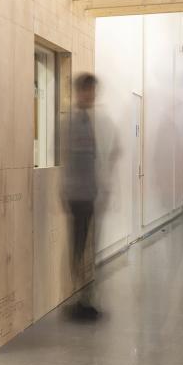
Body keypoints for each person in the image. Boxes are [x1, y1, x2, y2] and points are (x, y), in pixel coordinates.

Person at [62, 72, 108, 320]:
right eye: (87, 91)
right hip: (76, 196)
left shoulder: (92, 121)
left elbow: (97, 156)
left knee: (90, 249)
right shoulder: (70, 122)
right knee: (78, 249)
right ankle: (79, 299)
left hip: (91, 194)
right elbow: (67, 158)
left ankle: (86, 299)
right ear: (79, 92)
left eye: (93, 91)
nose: (91, 96)